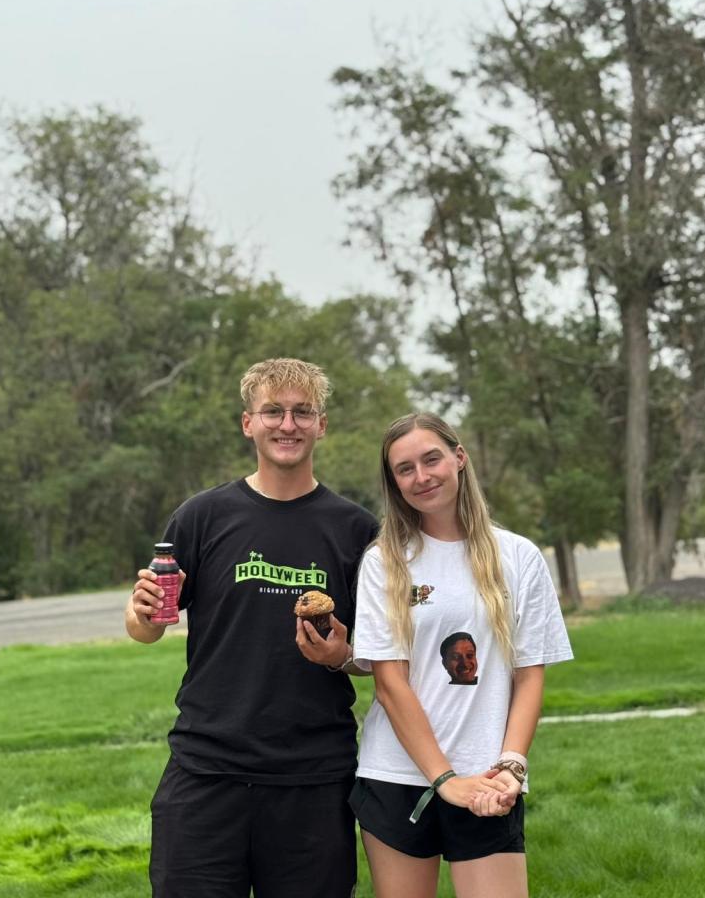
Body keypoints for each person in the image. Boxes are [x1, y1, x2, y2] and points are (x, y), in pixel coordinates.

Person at [126, 358, 378, 898]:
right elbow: (147, 628)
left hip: (313, 777)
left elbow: (380, 658)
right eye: (273, 411)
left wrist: (340, 657)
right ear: (248, 423)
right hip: (206, 772)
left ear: (321, 425)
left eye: (302, 412)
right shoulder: (203, 516)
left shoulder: (357, 530)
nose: (288, 424)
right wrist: (141, 613)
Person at [350, 413, 573, 898]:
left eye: (431, 459)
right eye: (405, 469)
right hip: (398, 776)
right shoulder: (384, 561)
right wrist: (445, 780)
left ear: (459, 457)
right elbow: (390, 685)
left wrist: (511, 765)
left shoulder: (518, 556)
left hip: (490, 779)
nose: (422, 476)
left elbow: (529, 676)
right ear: (394, 482)